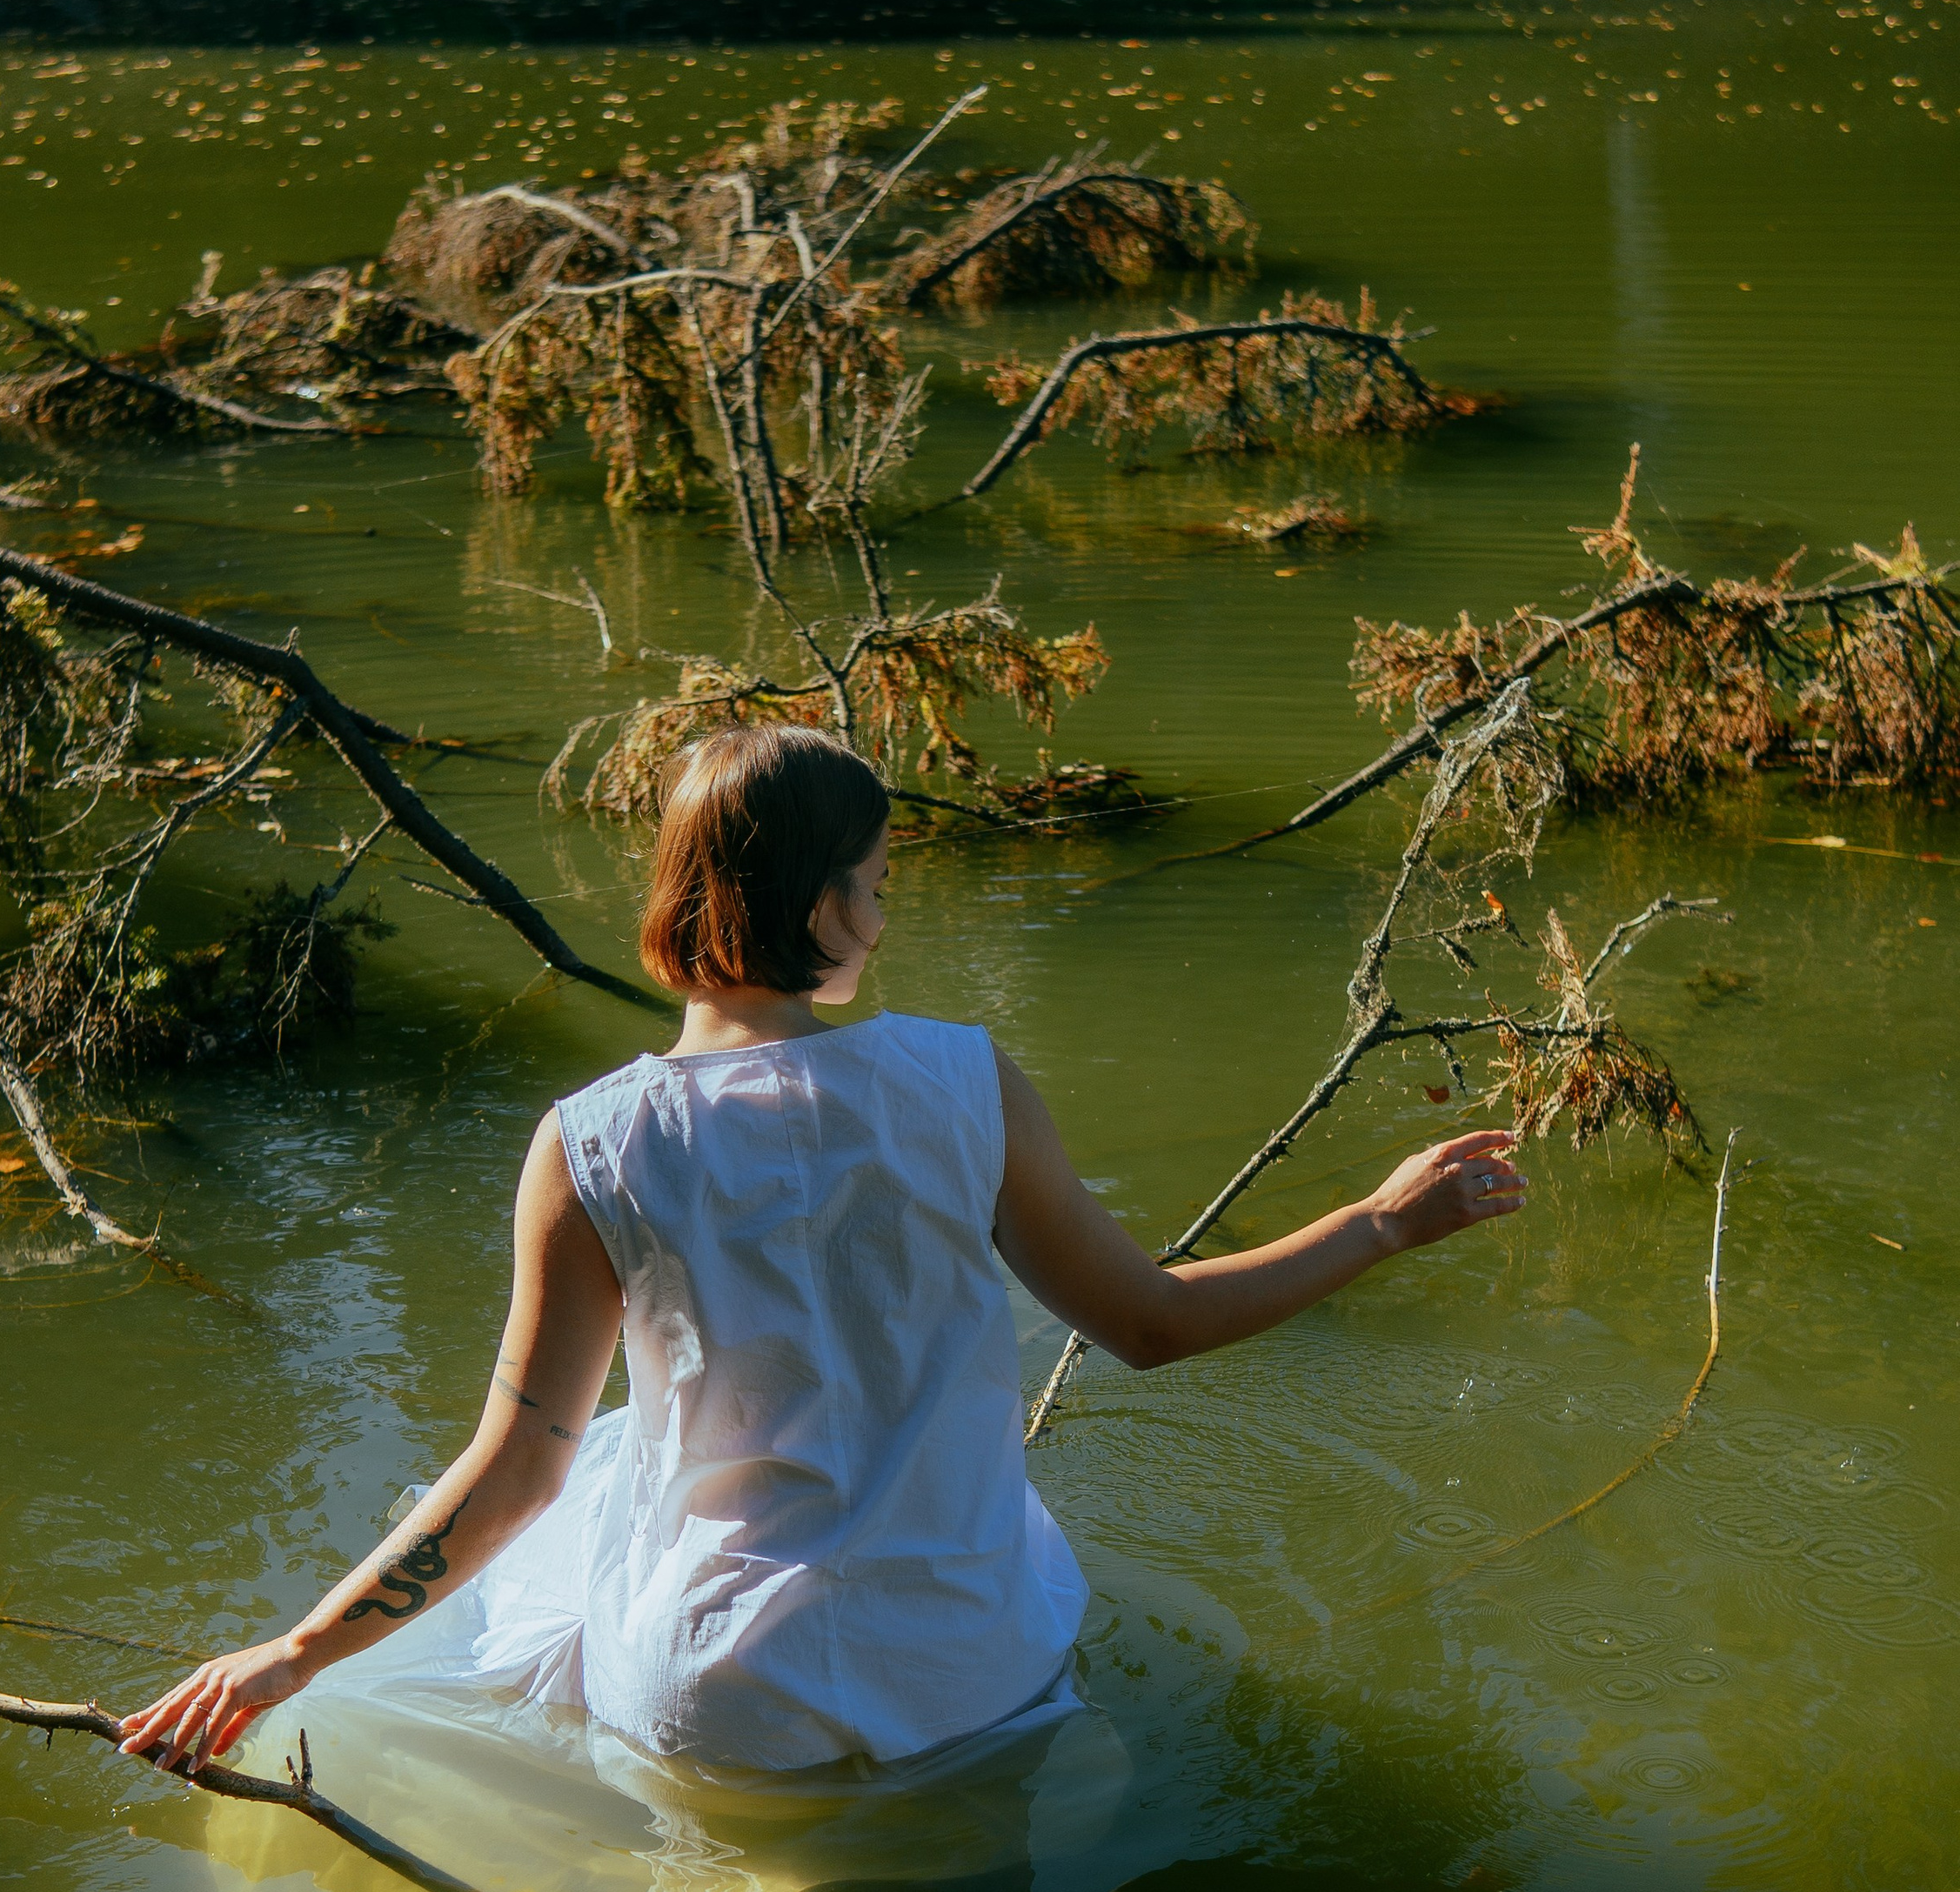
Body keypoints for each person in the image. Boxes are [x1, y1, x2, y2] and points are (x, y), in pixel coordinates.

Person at [119, 725, 1525, 1782]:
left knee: (594, 1463)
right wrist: (1381, 1221)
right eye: (879, 883)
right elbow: (1151, 1325)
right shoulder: (966, 1084)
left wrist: (295, 1653)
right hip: (972, 1668)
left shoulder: (594, 1142)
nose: (884, 913)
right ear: (823, 909)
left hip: (714, 1698)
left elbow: (515, 1472)